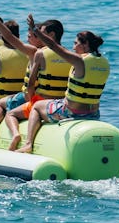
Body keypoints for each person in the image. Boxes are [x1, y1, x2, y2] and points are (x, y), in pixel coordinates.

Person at [0, 1, 70, 150]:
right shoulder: (70, 56)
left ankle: (1, 133)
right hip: (58, 102)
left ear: (51, 35)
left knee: (1, 105)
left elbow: (9, 37)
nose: (35, 36)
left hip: (37, 100)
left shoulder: (35, 53)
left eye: (39, 33)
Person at [18, 14, 109, 154]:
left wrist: (34, 30)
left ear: (85, 45)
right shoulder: (104, 63)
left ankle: (28, 144)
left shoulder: (80, 61)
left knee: (36, 107)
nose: (73, 47)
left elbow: (54, 46)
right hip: (94, 113)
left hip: (71, 111)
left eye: (76, 43)